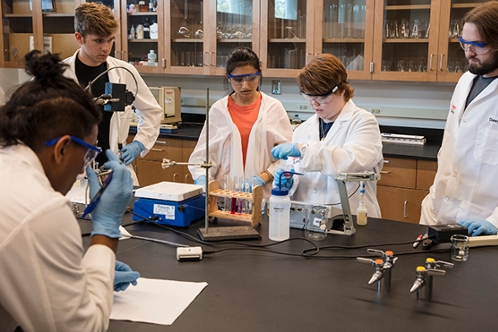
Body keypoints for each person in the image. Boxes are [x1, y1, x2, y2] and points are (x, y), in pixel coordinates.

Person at [0, 51, 139, 332]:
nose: (82, 170)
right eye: (87, 155)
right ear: (62, 148)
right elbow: (81, 329)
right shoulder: (40, 208)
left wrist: (85, 279)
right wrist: (106, 230)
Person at [420, 1, 498, 237]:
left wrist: (496, 220)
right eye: (464, 43)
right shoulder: (466, 80)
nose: (468, 53)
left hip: (483, 226)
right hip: (438, 212)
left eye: (478, 45)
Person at [271, 54, 383, 217]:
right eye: (309, 96)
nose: (314, 103)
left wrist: (304, 150)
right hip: (308, 220)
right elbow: (298, 173)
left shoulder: (363, 122)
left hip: (350, 217)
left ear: (342, 90)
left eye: (322, 97)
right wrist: (287, 184)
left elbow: (352, 161)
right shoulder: (303, 129)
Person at [63, 2, 163, 184]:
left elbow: (152, 111)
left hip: (116, 170)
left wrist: (139, 143)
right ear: (79, 37)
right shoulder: (57, 75)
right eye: (99, 40)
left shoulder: (124, 72)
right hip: (72, 174)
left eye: (110, 40)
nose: (106, 48)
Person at [188, 47, 292, 199]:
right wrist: (202, 177)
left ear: (260, 73)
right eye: (238, 80)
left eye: (251, 78)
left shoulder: (273, 108)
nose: (245, 85)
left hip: (263, 196)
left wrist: (264, 176)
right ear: (228, 77)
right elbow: (203, 157)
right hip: (225, 197)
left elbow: (288, 157)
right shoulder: (219, 110)